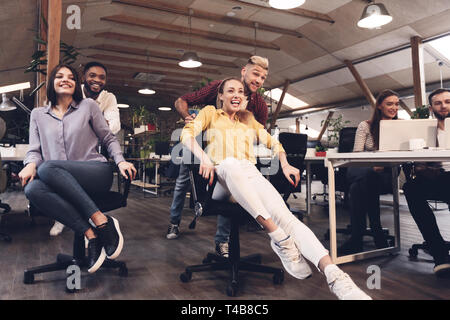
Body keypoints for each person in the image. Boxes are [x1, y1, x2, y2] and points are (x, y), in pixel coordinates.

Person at [180, 77, 371, 300]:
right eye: (230, 91)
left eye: (240, 91)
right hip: (220, 180)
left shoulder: (248, 119)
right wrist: (204, 158)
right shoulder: (210, 113)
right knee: (231, 164)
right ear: (220, 95)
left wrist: (285, 163)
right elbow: (187, 136)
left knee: (288, 218)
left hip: (247, 174)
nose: (236, 95)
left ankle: (336, 277)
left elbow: (274, 143)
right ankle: (278, 237)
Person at [19, 63, 137, 274]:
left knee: (46, 168)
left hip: (94, 172)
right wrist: (29, 164)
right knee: (32, 189)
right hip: (59, 180)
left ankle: (102, 221)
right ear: (52, 83)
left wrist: (120, 161)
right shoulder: (38, 115)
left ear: (76, 84)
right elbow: (35, 149)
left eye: (71, 77)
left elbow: (108, 138)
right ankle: (92, 235)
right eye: (60, 76)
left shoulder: (88, 106)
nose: (65, 79)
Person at [167, 56, 269, 259]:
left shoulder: (259, 105)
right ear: (244, 72)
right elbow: (181, 101)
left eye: (263, 77)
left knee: (230, 187)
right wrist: (187, 117)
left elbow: (259, 135)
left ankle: (222, 242)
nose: (258, 79)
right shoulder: (219, 87)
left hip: (227, 152)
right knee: (183, 182)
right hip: (199, 143)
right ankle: (174, 222)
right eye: (255, 73)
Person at [49, 61, 121, 237]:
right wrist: (96, 124)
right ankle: (66, 218)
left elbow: (114, 127)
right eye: (92, 76)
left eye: (102, 77)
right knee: (58, 173)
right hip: (67, 149)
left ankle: (90, 221)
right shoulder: (71, 90)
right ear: (84, 78)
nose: (97, 80)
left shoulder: (108, 98)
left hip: (92, 152)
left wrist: (86, 126)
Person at [338, 89, 400, 255]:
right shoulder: (366, 126)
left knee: (357, 187)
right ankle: (376, 231)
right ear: (379, 106)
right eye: (389, 104)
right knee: (367, 176)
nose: (394, 107)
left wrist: (381, 166)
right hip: (362, 170)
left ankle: (357, 238)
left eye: (396, 104)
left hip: (386, 175)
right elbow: (357, 155)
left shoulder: (400, 127)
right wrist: (373, 166)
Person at [403, 88, 450, 277]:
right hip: (435, 177)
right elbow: (418, 163)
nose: (444, 106)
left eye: (447, 101)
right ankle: (439, 253)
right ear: (431, 108)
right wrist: (423, 168)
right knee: (410, 188)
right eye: (438, 103)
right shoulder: (422, 130)